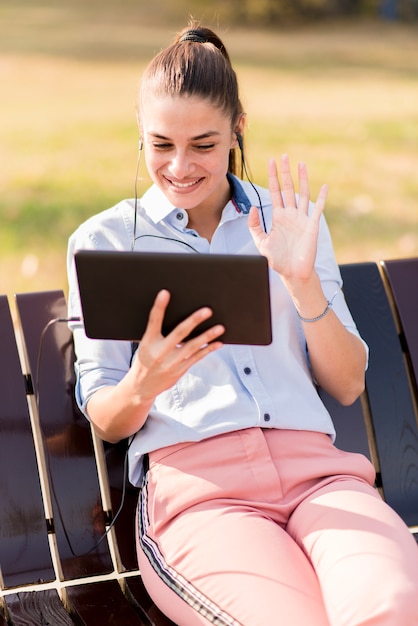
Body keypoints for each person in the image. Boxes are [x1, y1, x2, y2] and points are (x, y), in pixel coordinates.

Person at [67, 23, 418, 626]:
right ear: (139, 130)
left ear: (238, 128)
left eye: (203, 144)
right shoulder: (104, 242)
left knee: (391, 607)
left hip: (320, 479)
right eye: (160, 144)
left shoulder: (287, 221)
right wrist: (144, 380)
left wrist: (301, 282)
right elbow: (106, 413)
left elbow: (348, 383)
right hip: (203, 498)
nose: (179, 166)